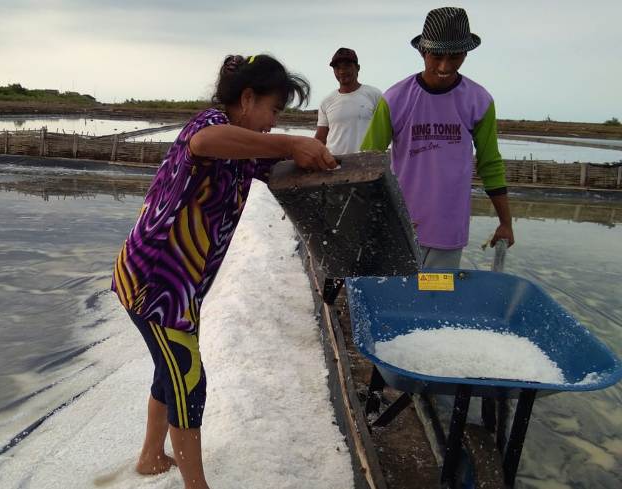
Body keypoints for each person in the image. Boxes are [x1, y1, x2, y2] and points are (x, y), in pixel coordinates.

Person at [111, 54, 336, 489]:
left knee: (170, 369)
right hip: (156, 285)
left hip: (176, 288)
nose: (272, 123)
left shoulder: (243, 148)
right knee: (188, 382)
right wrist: (290, 142)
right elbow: (204, 143)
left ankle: (150, 456)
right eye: (272, 110)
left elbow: (275, 167)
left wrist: (319, 159)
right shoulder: (209, 125)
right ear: (247, 98)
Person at [361, 7, 514, 268]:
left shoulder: (478, 101)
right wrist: (369, 218)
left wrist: (505, 222)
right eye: (436, 56)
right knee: (400, 299)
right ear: (422, 52)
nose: (445, 66)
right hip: (401, 225)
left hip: (449, 229)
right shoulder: (395, 99)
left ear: (466, 53)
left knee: (436, 299)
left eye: (455, 56)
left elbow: (490, 163)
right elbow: (367, 162)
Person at [315, 47, 382, 155]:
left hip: (367, 163)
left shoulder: (374, 95)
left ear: (358, 68)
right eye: (337, 68)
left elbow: (386, 130)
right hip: (335, 165)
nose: (342, 71)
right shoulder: (326, 101)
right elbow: (320, 139)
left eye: (347, 66)